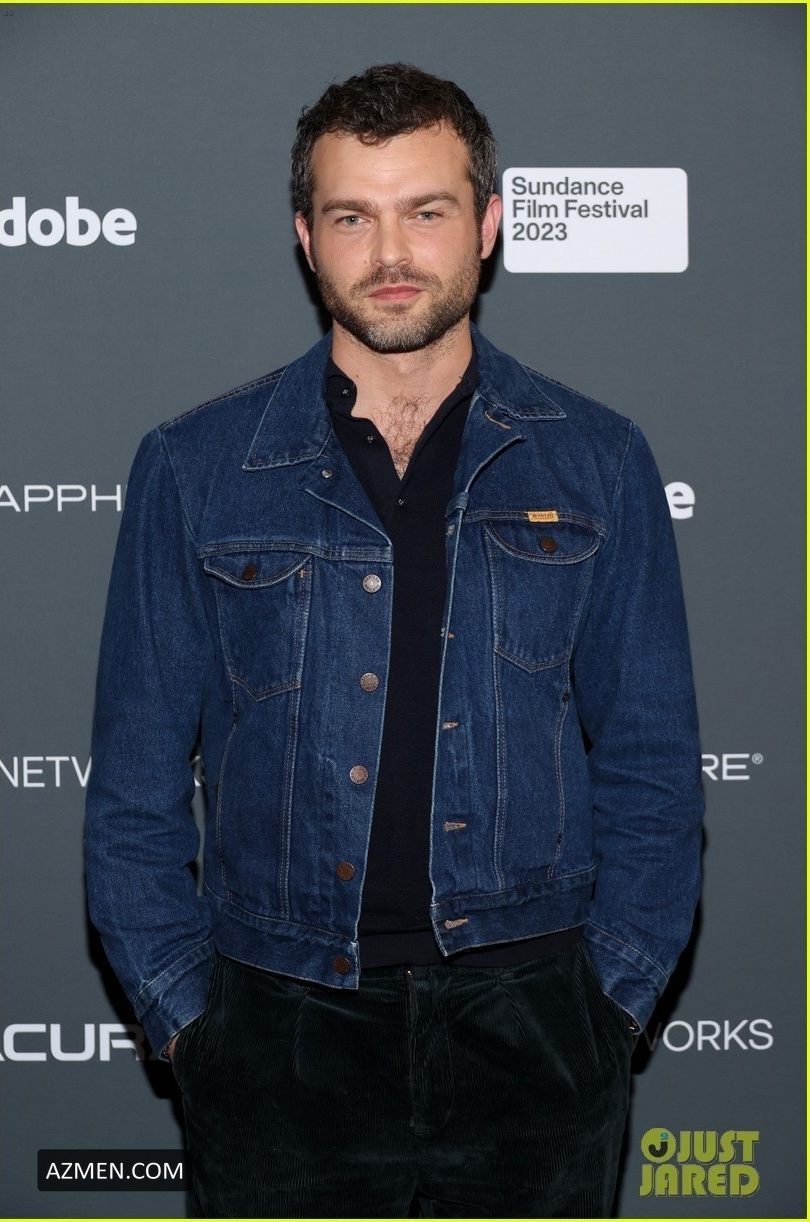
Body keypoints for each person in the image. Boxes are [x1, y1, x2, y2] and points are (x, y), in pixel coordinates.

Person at [85, 63, 703, 1219]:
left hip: (535, 1023)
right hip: (277, 1029)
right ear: (305, 239)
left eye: (425, 210)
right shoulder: (196, 466)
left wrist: (608, 1002)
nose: (390, 252)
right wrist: (188, 1019)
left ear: (487, 222)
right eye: (350, 217)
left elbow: (652, 761)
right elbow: (133, 779)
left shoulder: (598, 460)